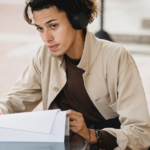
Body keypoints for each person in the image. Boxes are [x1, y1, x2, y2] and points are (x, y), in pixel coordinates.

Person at [0, 0, 150, 149]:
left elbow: (141, 134)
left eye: (53, 26)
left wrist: (92, 135)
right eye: (40, 28)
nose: (46, 38)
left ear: (78, 20)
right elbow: (15, 101)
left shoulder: (116, 57)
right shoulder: (43, 55)